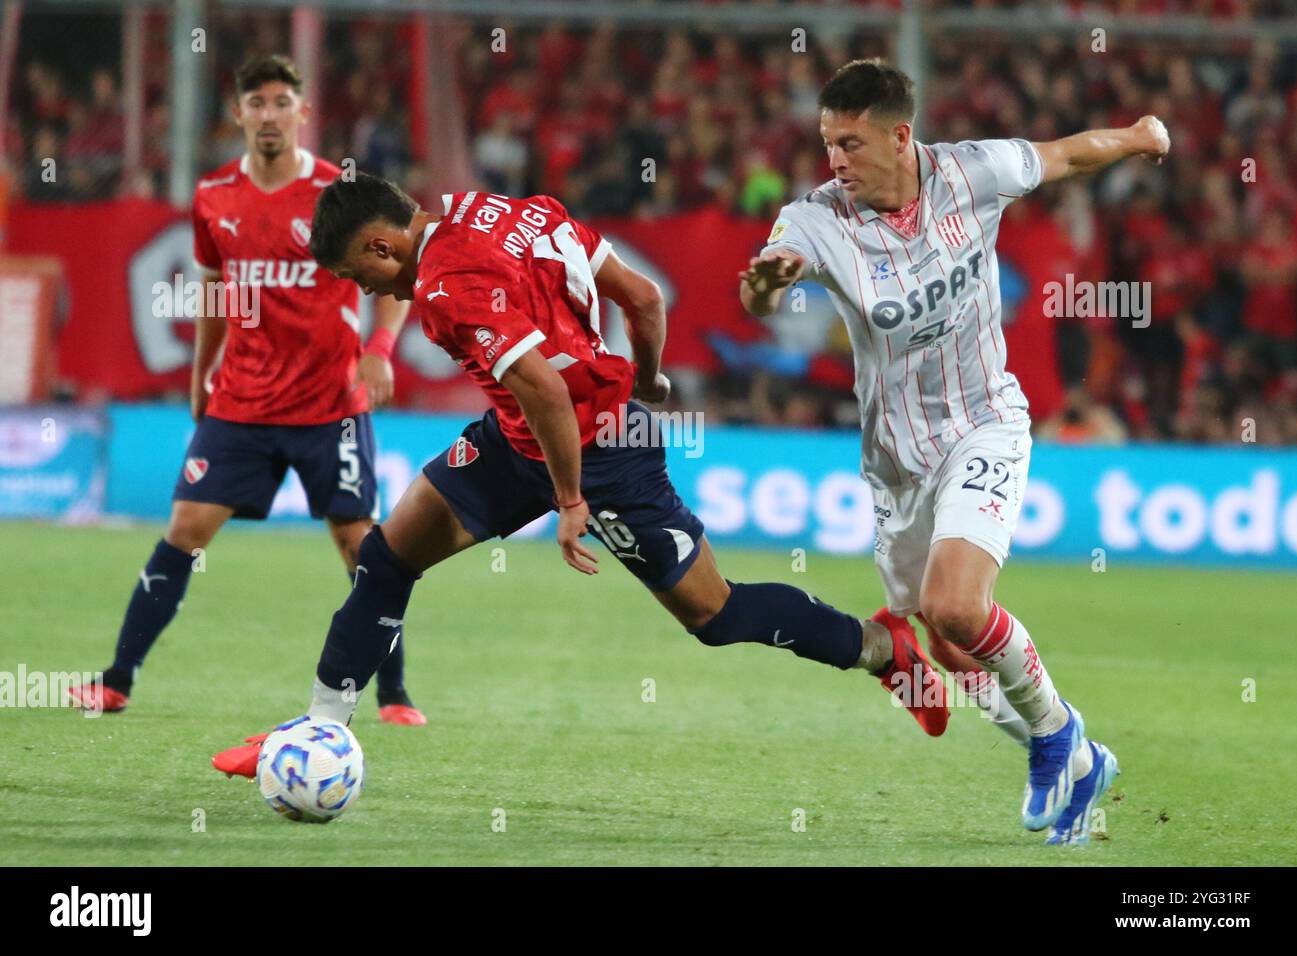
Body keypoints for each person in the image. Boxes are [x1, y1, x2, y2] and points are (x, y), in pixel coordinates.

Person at [210, 172, 954, 778]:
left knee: (714, 615)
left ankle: (882, 649)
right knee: (385, 559)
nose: (371, 293)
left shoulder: (443, 288)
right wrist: (652, 378)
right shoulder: (505, 208)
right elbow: (643, 297)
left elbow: (547, 388)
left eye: (358, 276)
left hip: (599, 453)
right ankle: (317, 733)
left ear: (380, 244)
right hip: (522, 439)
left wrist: (570, 500)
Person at [739, 59, 1169, 844]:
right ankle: (1077, 749)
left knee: (957, 607)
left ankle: (1054, 738)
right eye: (827, 144)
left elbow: (1069, 153)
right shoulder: (816, 220)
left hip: (984, 423)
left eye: (850, 143)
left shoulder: (976, 172)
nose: (835, 160)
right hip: (896, 463)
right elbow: (760, 291)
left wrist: (1139, 137)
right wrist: (768, 284)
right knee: (942, 639)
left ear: (901, 137)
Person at [68, 55, 425, 726]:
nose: (269, 114)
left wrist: (379, 352)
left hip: (331, 402)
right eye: (256, 102)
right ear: (237, 114)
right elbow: (213, 290)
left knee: (362, 548)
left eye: (281, 101)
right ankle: (115, 681)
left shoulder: (336, 192)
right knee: (184, 529)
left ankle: (395, 693)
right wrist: (204, 371)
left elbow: (398, 265)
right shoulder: (214, 197)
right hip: (244, 399)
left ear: (303, 112)